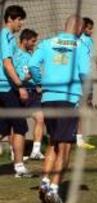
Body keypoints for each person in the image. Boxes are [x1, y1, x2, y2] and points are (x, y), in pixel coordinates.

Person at [29, 15, 91, 202]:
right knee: (65, 147)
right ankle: (54, 189)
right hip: (68, 99)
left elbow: (32, 64)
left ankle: (45, 182)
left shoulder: (47, 43)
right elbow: (84, 74)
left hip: (48, 98)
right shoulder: (81, 46)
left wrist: (40, 82)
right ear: (79, 29)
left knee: (54, 142)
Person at [0, 5, 33, 177]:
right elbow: (6, 64)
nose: (21, 23)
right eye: (19, 19)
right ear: (10, 19)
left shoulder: (10, 37)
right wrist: (20, 86)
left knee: (4, 128)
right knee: (20, 127)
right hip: (6, 88)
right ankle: (19, 167)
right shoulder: (5, 35)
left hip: (5, 87)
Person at [13, 28, 45, 160]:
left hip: (33, 93)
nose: (34, 44)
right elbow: (17, 77)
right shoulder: (16, 55)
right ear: (24, 40)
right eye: (32, 41)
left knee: (40, 118)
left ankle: (36, 151)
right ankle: (15, 154)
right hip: (20, 92)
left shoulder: (31, 54)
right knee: (16, 126)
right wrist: (28, 76)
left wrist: (38, 84)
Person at [76, 16, 97, 149]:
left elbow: (93, 54)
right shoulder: (76, 40)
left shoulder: (89, 40)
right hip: (79, 76)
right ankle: (78, 138)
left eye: (92, 29)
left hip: (87, 75)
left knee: (83, 104)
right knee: (79, 106)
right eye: (89, 28)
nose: (91, 31)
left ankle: (78, 137)